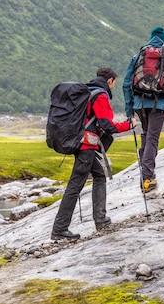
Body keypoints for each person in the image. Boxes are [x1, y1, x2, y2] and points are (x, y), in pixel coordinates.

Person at [51, 67, 137, 241]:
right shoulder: (100, 95)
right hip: (87, 146)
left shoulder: (87, 91)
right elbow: (108, 125)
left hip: (79, 142)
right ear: (110, 81)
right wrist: (128, 126)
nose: (113, 87)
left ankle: (101, 219)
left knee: (99, 176)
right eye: (114, 83)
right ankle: (60, 229)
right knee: (75, 187)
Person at [123, 27, 164, 193]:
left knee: (146, 134)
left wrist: (129, 109)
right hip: (159, 104)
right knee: (152, 138)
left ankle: (146, 175)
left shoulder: (138, 57)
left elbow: (126, 83)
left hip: (139, 105)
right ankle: (147, 178)